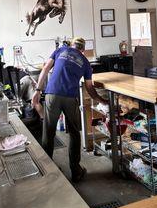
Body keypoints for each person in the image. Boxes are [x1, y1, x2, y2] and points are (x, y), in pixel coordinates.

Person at [31, 37, 108, 182]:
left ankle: (47, 172)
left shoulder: (60, 50)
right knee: (74, 133)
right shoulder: (85, 62)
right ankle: (76, 171)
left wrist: (37, 90)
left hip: (52, 95)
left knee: (48, 131)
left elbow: (46, 68)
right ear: (83, 50)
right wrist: (102, 100)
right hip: (70, 98)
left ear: (71, 45)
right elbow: (90, 88)